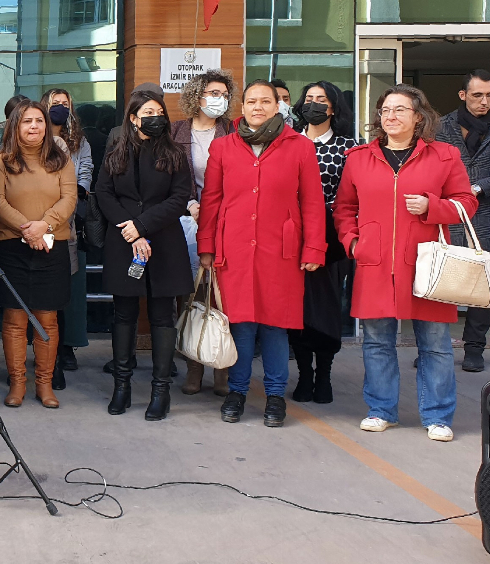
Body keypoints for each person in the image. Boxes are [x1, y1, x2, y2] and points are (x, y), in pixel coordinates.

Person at [334, 85, 476, 443]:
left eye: (400, 110)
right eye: (385, 110)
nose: (391, 116)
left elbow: (465, 202)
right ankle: (381, 410)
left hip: (426, 261)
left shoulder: (444, 156)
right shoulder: (359, 157)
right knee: (378, 340)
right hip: (374, 261)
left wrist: (433, 207)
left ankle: (438, 416)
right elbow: (345, 208)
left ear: (418, 117)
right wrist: (353, 243)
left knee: (435, 344)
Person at [197, 80, 326, 429]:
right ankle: (237, 392)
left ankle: (274, 397)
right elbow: (211, 199)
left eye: (265, 101)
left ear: (277, 106)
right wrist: (206, 245)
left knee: (275, 326)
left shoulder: (299, 146)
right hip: (234, 248)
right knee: (239, 325)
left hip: (280, 251)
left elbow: (312, 202)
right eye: (251, 101)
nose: (258, 107)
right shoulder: (224, 147)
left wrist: (314, 246)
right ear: (242, 106)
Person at [96, 88, 192, 420]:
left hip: (163, 242)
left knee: (162, 317)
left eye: (159, 113)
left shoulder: (175, 153)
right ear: (133, 118)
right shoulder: (115, 152)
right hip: (124, 243)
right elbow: (104, 194)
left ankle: (160, 391)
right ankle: (121, 387)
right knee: (123, 315)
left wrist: (142, 226)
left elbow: (180, 198)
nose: (155, 119)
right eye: (147, 114)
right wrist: (130, 229)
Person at [0, 101, 77, 409]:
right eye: (26, 121)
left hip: (51, 245)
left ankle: (44, 384)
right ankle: (18, 384)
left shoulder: (61, 159)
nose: (34, 126)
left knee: (47, 319)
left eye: (39, 121)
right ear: (15, 126)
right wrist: (28, 230)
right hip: (12, 246)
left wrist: (44, 226)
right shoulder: (2, 160)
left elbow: (70, 197)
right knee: (14, 319)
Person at [289, 81, 359, 403]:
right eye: (309, 99)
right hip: (292, 238)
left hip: (332, 241)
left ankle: (325, 375)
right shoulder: (287, 143)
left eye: (321, 100)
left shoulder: (348, 147)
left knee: (327, 308)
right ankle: (304, 374)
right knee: (298, 308)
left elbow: (353, 197)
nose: (314, 104)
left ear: (333, 107)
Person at [171, 70, 237, 396]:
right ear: (197, 96)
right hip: (188, 222)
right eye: (213, 92)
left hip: (228, 223)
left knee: (224, 296)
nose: (219, 99)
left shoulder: (234, 131)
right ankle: (194, 366)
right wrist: (189, 204)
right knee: (192, 294)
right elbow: (168, 178)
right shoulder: (175, 132)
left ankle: (222, 370)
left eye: (224, 93)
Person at [434, 68, 490, 373]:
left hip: (485, 213)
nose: (484, 102)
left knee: (482, 281)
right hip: (449, 211)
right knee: (445, 277)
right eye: (478, 95)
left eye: (489, 96)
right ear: (463, 95)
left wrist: (479, 186)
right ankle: (436, 345)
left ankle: (474, 348)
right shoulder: (442, 127)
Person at [45, 88, 93, 387]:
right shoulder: (35, 133)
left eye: (65, 103)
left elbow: (84, 170)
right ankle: (44, 353)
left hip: (69, 219)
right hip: (37, 220)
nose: (60, 108)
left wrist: (74, 193)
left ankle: (65, 349)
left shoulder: (79, 141)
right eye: (54, 104)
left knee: (66, 289)